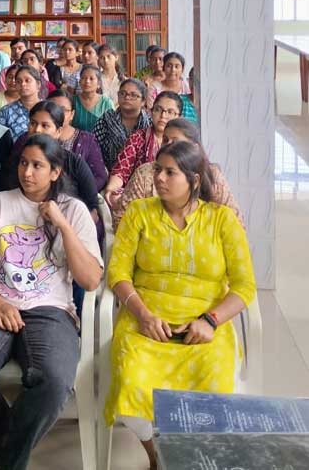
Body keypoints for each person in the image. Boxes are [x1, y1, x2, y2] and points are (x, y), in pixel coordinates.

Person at [0, 134, 103, 470]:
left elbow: (90, 280)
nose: (27, 172)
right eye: (23, 163)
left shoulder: (73, 210)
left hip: (50, 310)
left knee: (56, 380)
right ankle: (8, 451)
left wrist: (61, 224)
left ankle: (2, 460)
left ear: (55, 172)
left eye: (37, 166)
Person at [103, 140, 256, 468]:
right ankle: (157, 457)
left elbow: (244, 286)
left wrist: (211, 321)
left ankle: (192, 455)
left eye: (170, 172)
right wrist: (142, 314)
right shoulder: (139, 213)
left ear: (194, 180)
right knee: (131, 379)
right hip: (145, 318)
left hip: (203, 323)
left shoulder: (222, 220)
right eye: (158, 170)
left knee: (214, 379)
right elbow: (117, 272)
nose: (159, 178)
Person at [113, 118, 243, 229]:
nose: (167, 145)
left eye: (175, 141)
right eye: (165, 140)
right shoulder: (145, 173)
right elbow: (122, 219)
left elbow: (235, 223)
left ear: (194, 147)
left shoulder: (212, 175)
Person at [7, 101, 100, 219]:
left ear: (58, 132)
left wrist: (67, 226)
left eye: (45, 125)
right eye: (33, 123)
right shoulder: (18, 161)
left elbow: (93, 211)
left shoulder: (74, 163)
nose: (37, 130)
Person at [103, 91, 183, 206]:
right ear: (151, 112)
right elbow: (122, 168)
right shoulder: (138, 137)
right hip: (141, 194)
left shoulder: (183, 142)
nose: (163, 116)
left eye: (170, 112)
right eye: (158, 109)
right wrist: (111, 189)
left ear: (179, 116)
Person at [46, 91, 108, 191]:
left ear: (72, 114)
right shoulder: (34, 135)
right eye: (51, 108)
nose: (56, 113)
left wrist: (80, 195)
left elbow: (100, 177)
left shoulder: (87, 140)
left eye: (63, 109)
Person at [92, 78, 151, 171]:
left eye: (133, 95)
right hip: (109, 175)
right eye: (123, 93)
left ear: (143, 101)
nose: (127, 97)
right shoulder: (106, 120)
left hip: (143, 177)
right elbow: (94, 151)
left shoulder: (150, 124)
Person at [146, 51, 198, 120]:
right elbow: (151, 112)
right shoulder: (155, 88)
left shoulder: (187, 86)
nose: (173, 70)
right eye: (169, 66)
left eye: (177, 66)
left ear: (182, 70)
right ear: (163, 68)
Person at [0, 65, 41, 139]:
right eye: (19, 81)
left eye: (27, 80)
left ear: (38, 84)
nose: (23, 84)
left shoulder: (48, 109)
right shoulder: (6, 112)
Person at [72, 66, 115, 133]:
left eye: (91, 79)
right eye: (83, 78)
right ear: (79, 81)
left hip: (100, 142)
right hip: (77, 142)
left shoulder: (106, 103)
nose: (87, 81)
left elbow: (112, 128)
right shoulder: (72, 101)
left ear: (99, 84)